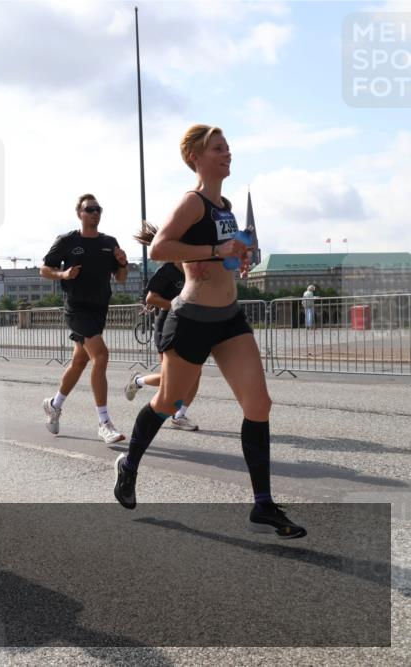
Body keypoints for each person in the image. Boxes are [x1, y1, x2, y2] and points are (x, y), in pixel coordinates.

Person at [112, 124, 306, 539]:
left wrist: (238, 258)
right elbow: (160, 247)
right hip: (192, 319)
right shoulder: (193, 201)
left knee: (259, 404)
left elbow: (218, 255)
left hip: (229, 319)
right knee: (169, 401)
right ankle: (128, 466)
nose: (227, 153)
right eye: (218, 148)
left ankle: (263, 505)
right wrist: (215, 251)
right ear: (195, 157)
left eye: (229, 148)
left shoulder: (225, 204)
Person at [39, 194, 128, 444]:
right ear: (79, 213)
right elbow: (44, 269)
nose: (95, 213)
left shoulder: (110, 242)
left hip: (99, 308)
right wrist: (64, 273)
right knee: (100, 355)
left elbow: (120, 278)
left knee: (79, 361)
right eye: (90, 209)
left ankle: (54, 404)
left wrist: (122, 263)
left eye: (98, 209)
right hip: (76, 307)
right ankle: (104, 423)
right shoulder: (68, 241)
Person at [124, 253, 200, 431]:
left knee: (195, 375)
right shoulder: (166, 271)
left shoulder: (194, 269)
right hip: (167, 328)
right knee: (170, 380)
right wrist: (177, 306)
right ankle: (138, 381)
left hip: (191, 328)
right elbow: (151, 298)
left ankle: (179, 416)